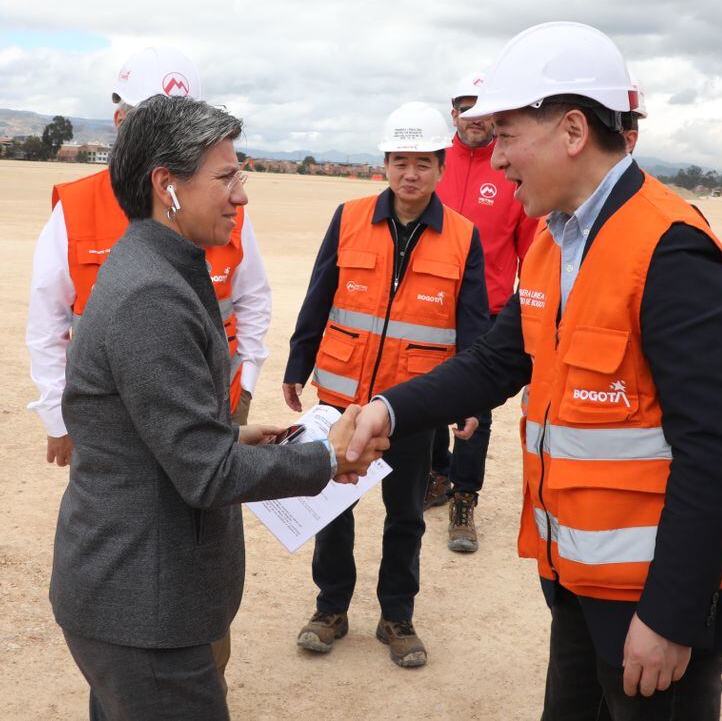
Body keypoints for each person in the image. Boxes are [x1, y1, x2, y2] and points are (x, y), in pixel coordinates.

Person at [347, 22, 722, 719]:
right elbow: (493, 362)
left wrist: (670, 618)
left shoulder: (670, 249)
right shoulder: (557, 237)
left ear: (572, 131)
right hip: (578, 576)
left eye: (507, 135)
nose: (495, 158)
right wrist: (387, 410)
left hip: (655, 600)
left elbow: (713, 452)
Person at [49, 94, 387, 721]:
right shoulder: (152, 294)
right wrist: (326, 457)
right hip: (143, 607)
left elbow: (171, 439)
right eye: (226, 176)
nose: (242, 194)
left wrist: (228, 436)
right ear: (165, 186)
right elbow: (204, 474)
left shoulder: (162, 265)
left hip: (141, 599)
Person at [282, 100, 490, 668]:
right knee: (333, 509)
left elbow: (474, 326)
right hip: (343, 398)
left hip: (412, 405)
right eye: (400, 161)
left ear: (441, 167)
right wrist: (298, 362)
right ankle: (330, 610)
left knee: (405, 517)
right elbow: (318, 293)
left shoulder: (464, 236)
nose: (410, 174)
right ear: (385, 164)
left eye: (422, 162)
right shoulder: (348, 218)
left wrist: (469, 399)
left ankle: (397, 617)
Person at [27, 46, 274, 468]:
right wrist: (58, 419)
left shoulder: (226, 206)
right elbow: (47, 322)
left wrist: (244, 389)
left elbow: (252, 299)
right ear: (122, 121)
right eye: (156, 121)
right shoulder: (77, 206)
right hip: (113, 425)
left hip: (214, 406)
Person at [426, 70, 540, 553]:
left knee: (477, 410)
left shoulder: (513, 167)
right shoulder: (432, 162)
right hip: (428, 307)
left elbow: (532, 252)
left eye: (483, 109)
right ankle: (435, 474)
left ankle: (464, 497)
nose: (474, 119)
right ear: (453, 112)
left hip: (488, 313)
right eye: (465, 108)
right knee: (427, 396)